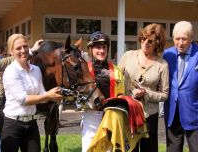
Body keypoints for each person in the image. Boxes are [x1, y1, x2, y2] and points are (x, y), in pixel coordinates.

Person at [0, 34, 64, 152]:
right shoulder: (11, 71)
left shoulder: (36, 70)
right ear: (11, 52)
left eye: (25, 46)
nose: (23, 50)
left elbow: (42, 94)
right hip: (12, 125)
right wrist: (48, 95)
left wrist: (55, 96)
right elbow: (23, 100)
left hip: (31, 125)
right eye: (18, 48)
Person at [118, 23, 169, 152]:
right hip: (127, 113)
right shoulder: (128, 56)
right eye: (143, 38)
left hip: (149, 116)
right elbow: (117, 79)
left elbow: (164, 94)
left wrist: (146, 93)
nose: (145, 42)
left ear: (157, 43)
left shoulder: (162, 65)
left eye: (150, 41)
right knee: (129, 149)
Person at [81, 31, 125, 152]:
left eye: (104, 47)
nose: (101, 51)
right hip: (91, 116)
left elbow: (120, 95)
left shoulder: (116, 70)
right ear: (90, 49)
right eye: (97, 47)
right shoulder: (85, 70)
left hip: (111, 116)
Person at [163, 21, 198, 152]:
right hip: (172, 113)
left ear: (191, 38)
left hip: (194, 114)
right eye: (177, 39)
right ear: (173, 38)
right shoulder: (167, 55)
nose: (180, 42)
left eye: (184, 39)